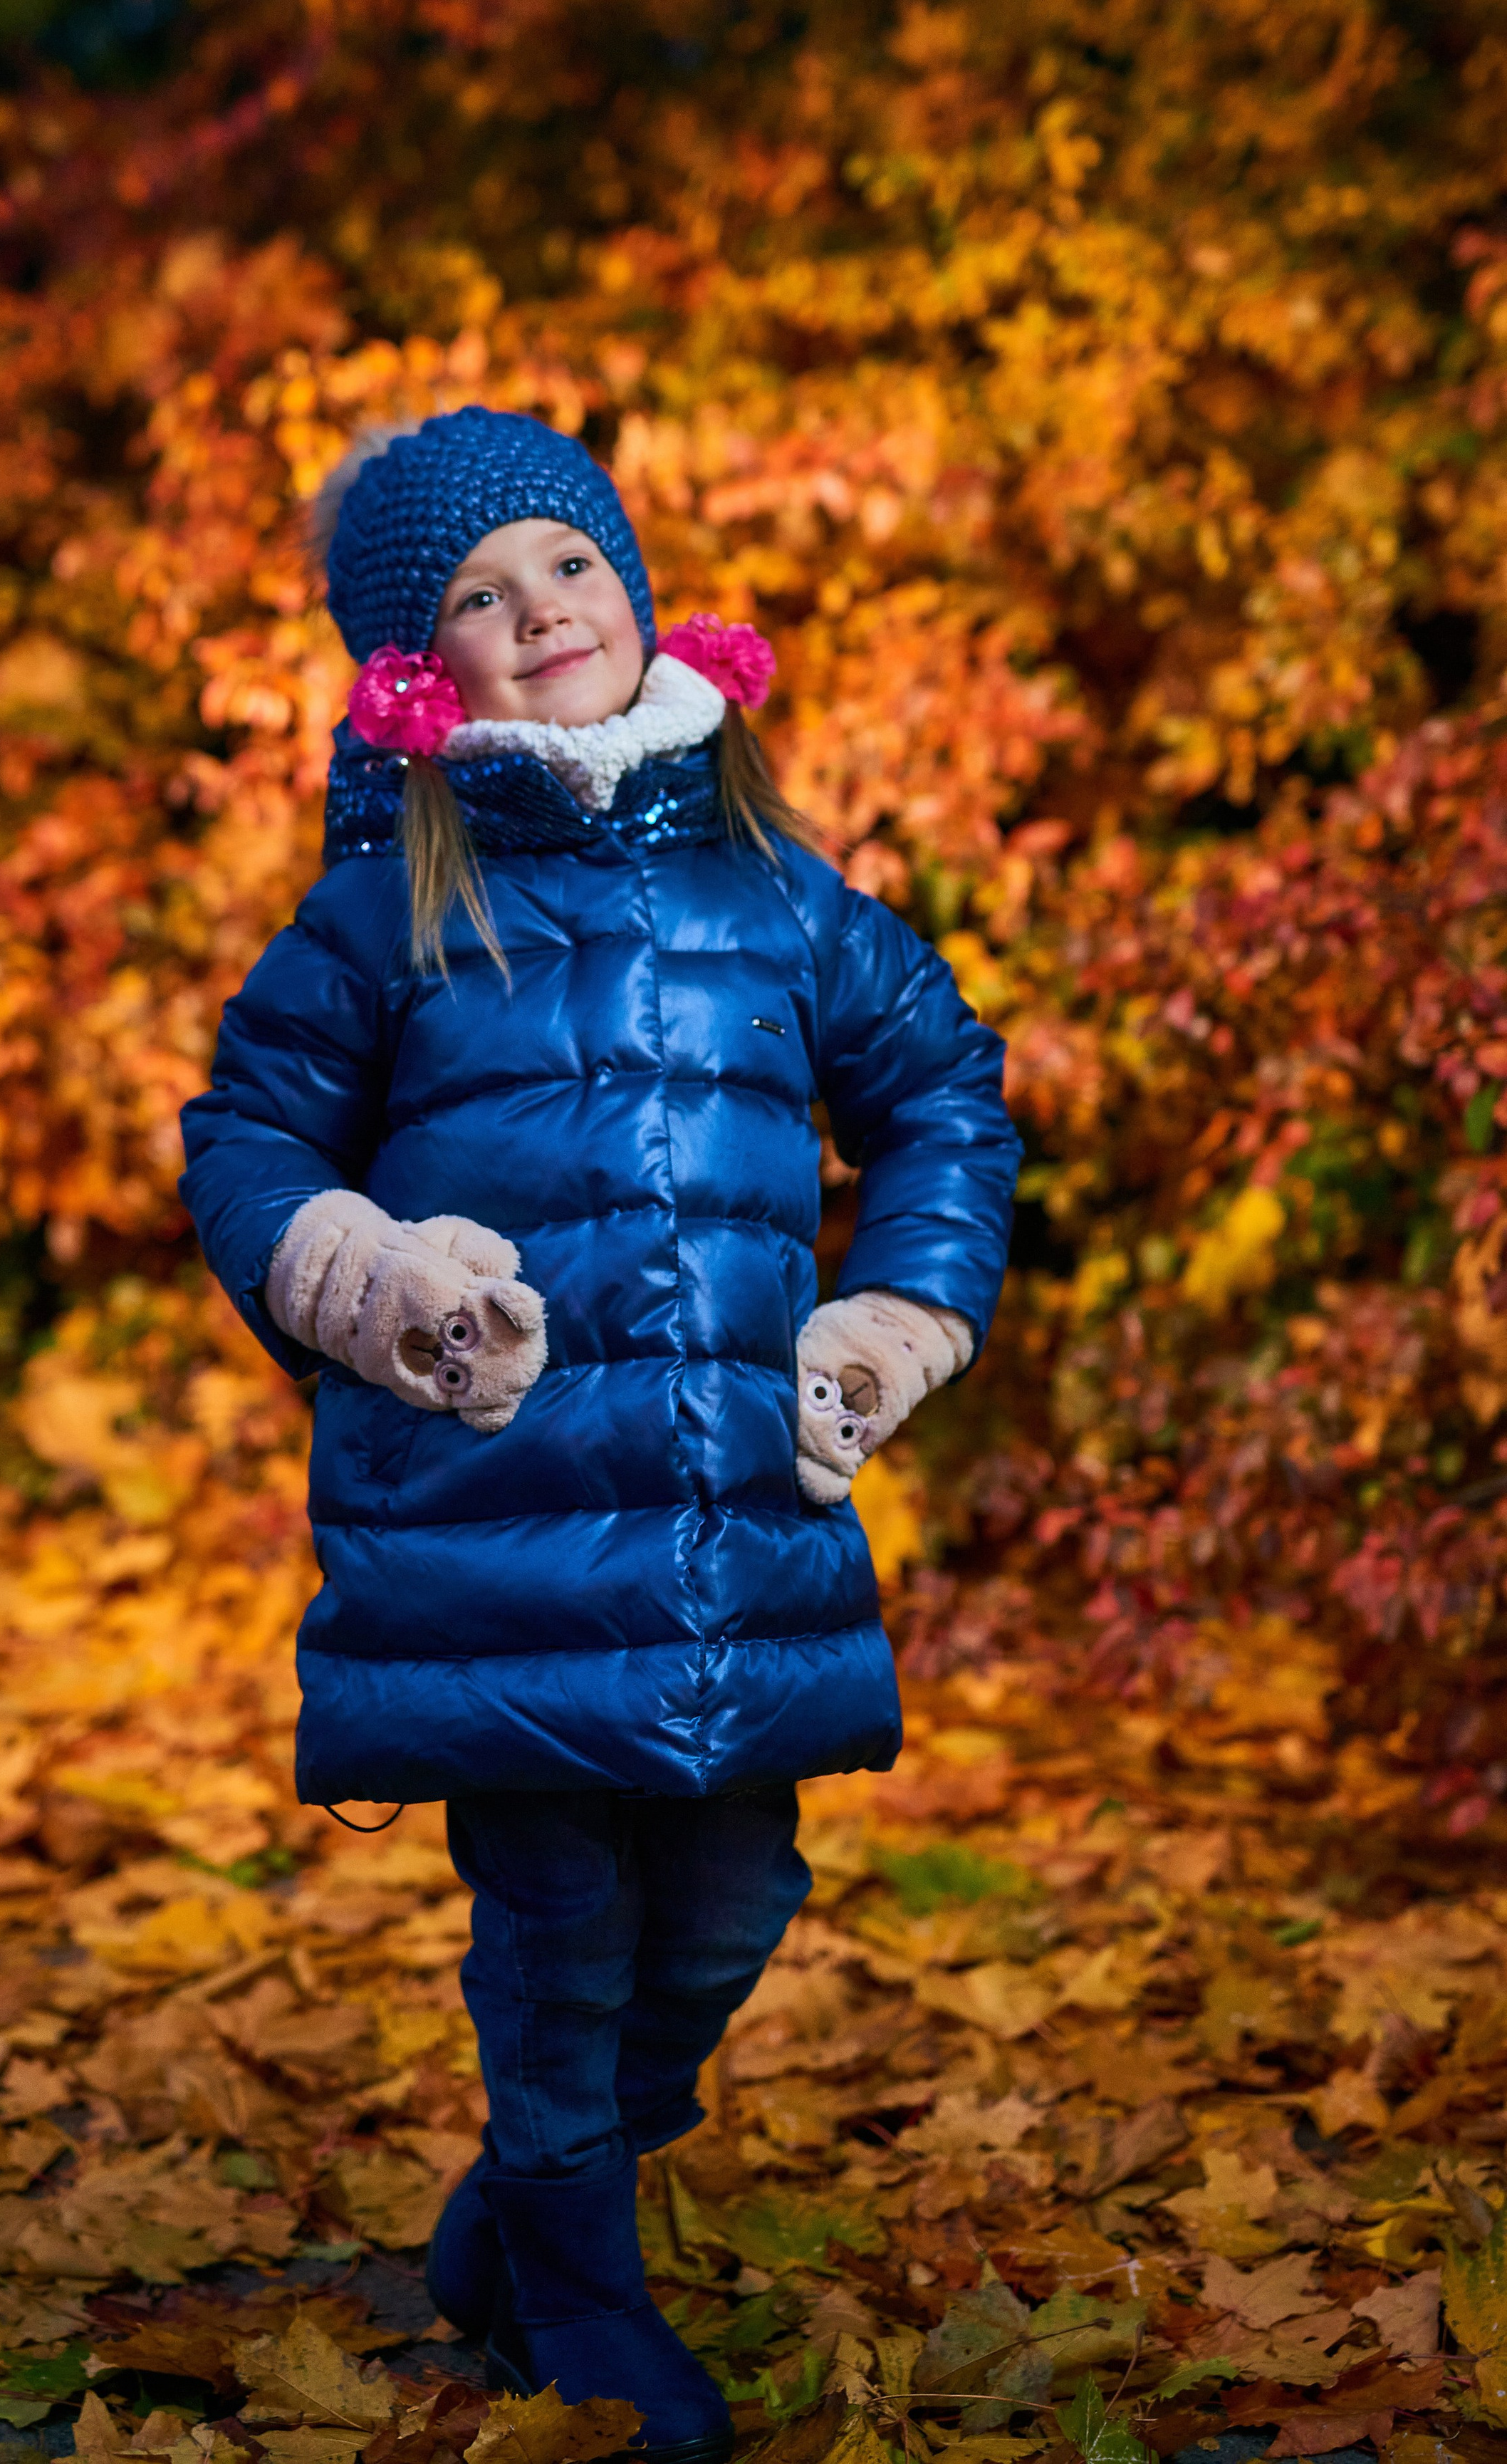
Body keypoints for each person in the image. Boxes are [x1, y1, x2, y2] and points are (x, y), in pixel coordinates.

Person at [179, 407, 1020, 2464]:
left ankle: (523, 2203)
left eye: (564, 563)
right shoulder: (391, 909)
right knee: (559, 1928)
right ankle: (577, 2267)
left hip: (746, 1514)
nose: (534, 610)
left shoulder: (778, 890)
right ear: (415, 666)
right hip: (503, 1533)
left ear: (635, 587)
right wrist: (366, 1276)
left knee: (733, 1904)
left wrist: (900, 1303)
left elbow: (943, 1088)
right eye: (474, 596)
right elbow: (249, 1142)